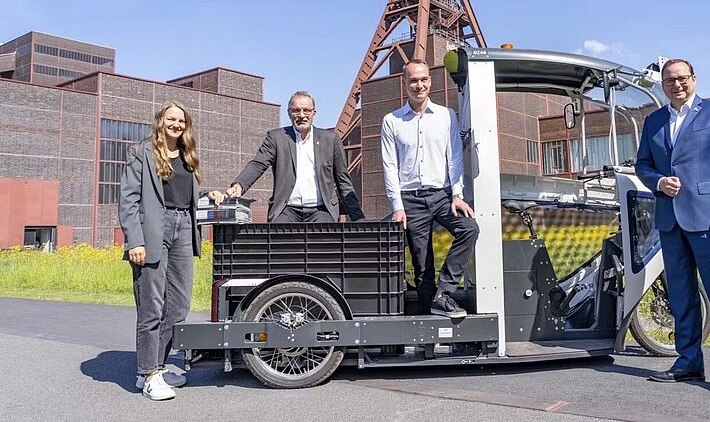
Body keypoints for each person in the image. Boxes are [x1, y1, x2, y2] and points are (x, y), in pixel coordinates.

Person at [635, 59, 710, 398]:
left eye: (682, 78)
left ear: (694, 79)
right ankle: (688, 361)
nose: (676, 84)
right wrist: (658, 182)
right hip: (670, 221)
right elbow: (642, 165)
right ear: (663, 85)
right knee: (681, 296)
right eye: (670, 80)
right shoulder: (653, 121)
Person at [119, 101, 217, 401]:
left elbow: (182, 193)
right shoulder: (142, 152)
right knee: (151, 307)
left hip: (184, 226)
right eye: (171, 119)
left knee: (179, 305)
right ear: (160, 121)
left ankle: (157, 367)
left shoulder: (188, 155)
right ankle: (148, 375)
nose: (176, 124)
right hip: (153, 230)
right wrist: (135, 241)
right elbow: (128, 199)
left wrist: (207, 194)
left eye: (181, 120)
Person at [381, 59, 480, 319]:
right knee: (422, 266)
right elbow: (389, 166)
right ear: (405, 83)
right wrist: (397, 207)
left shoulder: (447, 116)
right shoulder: (392, 121)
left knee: (469, 229)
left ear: (430, 81)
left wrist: (457, 195)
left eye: (423, 79)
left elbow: (454, 157)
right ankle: (430, 327)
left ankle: (444, 292)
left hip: (442, 196)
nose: (419, 85)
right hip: (410, 200)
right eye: (413, 80)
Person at [213, 91, 363, 223]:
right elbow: (258, 163)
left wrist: (357, 217)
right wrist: (239, 185)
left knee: (324, 243)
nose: (302, 115)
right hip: (286, 209)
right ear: (289, 113)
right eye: (296, 110)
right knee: (279, 242)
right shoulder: (276, 138)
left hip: (321, 209)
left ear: (314, 113)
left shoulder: (331, 140)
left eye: (306, 110)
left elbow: (343, 181)